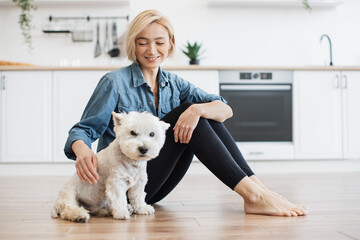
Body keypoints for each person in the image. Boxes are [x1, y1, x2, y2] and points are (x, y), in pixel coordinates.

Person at [64, 9, 308, 217]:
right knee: (191, 115)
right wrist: (82, 149)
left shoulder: (174, 83)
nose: (151, 50)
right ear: (133, 45)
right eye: (142, 42)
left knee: (199, 114)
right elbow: (82, 130)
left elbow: (224, 109)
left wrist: (197, 109)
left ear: (170, 43)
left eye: (159, 42)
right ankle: (254, 196)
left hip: (151, 185)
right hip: (119, 188)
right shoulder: (114, 82)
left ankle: (259, 191)